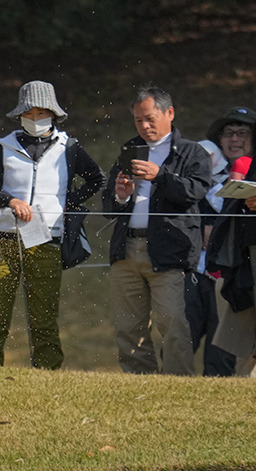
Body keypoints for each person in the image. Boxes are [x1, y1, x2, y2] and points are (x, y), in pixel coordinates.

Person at [0, 81, 105, 370]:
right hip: (2, 238)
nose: (35, 119)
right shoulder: (4, 146)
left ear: (53, 114)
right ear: (20, 115)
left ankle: (47, 372)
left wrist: (68, 203)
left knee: (44, 315)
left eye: (41, 113)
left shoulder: (68, 147)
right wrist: (10, 201)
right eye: (29, 114)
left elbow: (97, 178)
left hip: (46, 239)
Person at [103, 86, 212, 376]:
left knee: (173, 321)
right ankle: (140, 385)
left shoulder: (192, 152)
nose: (145, 126)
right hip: (126, 250)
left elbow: (196, 190)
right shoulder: (129, 150)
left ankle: (179, 383)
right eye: (139, 120)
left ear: (170, 113)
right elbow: (108, 207)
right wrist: (121, 195)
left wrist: (160, 175)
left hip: (170, 252)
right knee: (128, 327)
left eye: (150, 118)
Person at [192, 106, 254, 376]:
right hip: (196, 269)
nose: (235, 139)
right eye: (228, 133)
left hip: (239, 269)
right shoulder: (201, 173)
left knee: (227, 347)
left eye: (242, 133)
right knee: (186, 333)